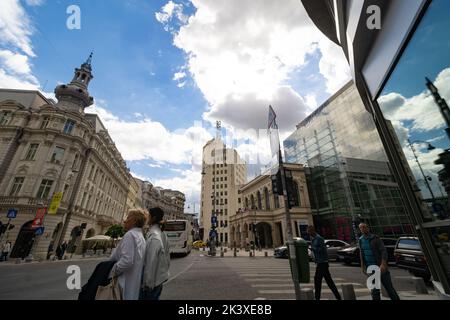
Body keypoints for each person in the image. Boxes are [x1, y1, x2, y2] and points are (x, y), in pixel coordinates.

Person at [109, 209, 147, 300]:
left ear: (134, 221)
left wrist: (112, 271)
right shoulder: (140, 236)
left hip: (123, 283)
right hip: (133, 284)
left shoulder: (130, 235)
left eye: (128, 217)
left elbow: (127, 261)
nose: (125, 220)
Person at [358, 223, 400, 300]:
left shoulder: (375, 238)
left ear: (368, 228)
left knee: (389, 289)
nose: (362, 229)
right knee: (374, 291)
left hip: (380, 267)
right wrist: (362, 266)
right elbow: (362, 253)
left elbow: (383, 251)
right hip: (371, 269)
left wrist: (383, 264)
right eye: (361, 228)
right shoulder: (361, 240)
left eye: (364, 227)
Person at [140, 207, 171, 300]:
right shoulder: (162, 234)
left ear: (153, 218)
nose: (146, 218)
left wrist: (147, 283)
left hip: (152, 283)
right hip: (157, 280)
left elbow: (151, 262)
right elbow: (167, 258)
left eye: (148, 216)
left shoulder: (154, 237)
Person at [307, 226, 342, 300]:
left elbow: (323, 250)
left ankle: (317, 298)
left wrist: (313, 248)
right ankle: (338, 297)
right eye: (308, 232)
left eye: (309, 232)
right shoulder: (313, 239)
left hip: (323, 262)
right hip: (319, 262)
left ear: (313, 231)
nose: (308, 233)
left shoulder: (319, 238)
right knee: (329, 281)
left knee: (317, 280)